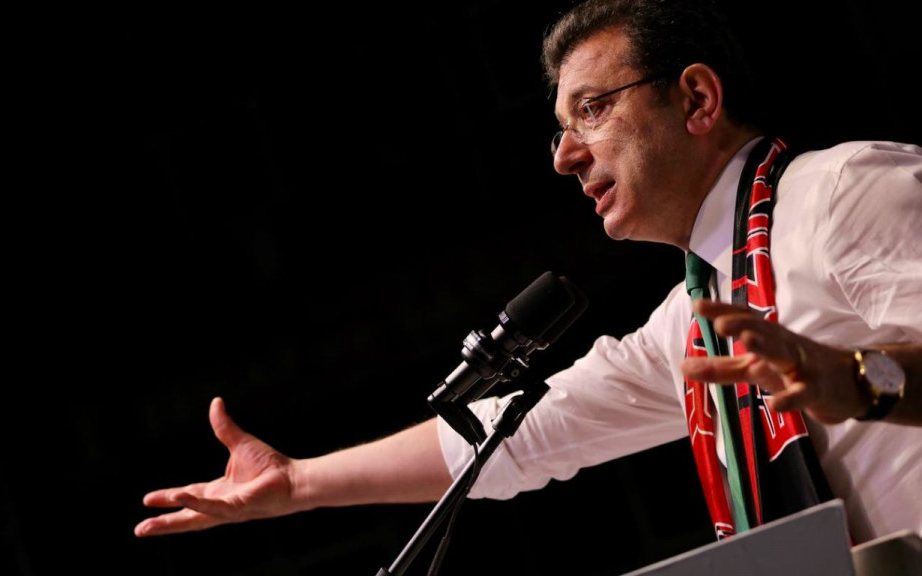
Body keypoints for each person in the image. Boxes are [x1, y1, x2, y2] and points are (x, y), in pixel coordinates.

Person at [135, 0, 921, 552]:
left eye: (593, 110)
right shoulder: (698, 316)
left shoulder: (845, 191)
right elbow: (516, 439)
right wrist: (300, 482)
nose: (567, 156)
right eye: (560, 130)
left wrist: (858, 379)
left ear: (696, 98)